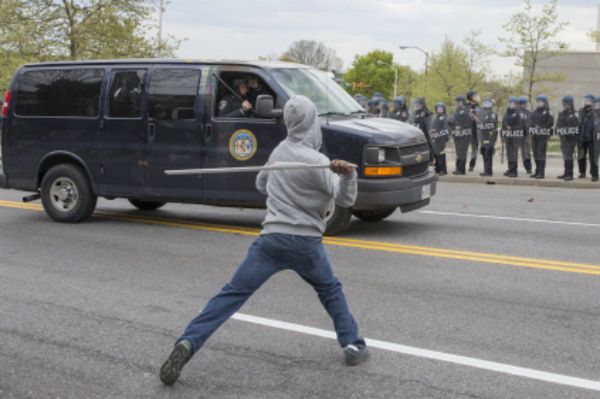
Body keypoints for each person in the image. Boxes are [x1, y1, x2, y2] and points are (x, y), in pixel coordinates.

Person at [159, 95, 369, 386]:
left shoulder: (279, 152)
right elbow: (346, 198)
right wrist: (346, 176)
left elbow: (260, 184)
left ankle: (187, 342)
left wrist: (280, 180)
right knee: (330, 290)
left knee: (230, 295)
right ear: (311, 124)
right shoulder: (319, 162)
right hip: (306, 243)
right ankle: (353, 346)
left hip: (270, 241)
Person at [528, 95, 554, 179]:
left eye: (541, 101)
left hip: (543, 136)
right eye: (538, 101)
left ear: (545, 102)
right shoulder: (535, 111)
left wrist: (541, 127)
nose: (539, 103)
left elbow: (550, 123)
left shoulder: (548, 112)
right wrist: (532, 126)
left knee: (541, 153)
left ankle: (541, 172)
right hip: (535, 135)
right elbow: (531, 121)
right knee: (535, 153)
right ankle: (537, 171)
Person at [501, 96, 527, 178]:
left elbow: (520, 125)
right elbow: (504, 122)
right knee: (509, 153)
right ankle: (510, 169)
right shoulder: (508, 112)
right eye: (510, 103)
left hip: (516, 135)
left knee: (513, 153)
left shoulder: (519, 113)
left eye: (512, 103)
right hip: (508, 136)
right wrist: (504, 132)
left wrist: (511, 127)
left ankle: (514, 171)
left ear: (516, 104)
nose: (511, 104)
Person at [555, 95, 579, 181]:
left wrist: (566, 130)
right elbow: (558, 125)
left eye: (566, 104)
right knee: (565, 156)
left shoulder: (575, 114)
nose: (565, 105)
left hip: (571, 139)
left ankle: (570, 174)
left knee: (569, 156)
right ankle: (566, 173)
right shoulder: (562, 114)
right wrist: (558, 130)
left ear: (571, 104)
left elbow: (576, 126)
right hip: (563, 138)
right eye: (564, 104)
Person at [476, 99, 498, 176]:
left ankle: (488, 171)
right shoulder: (481, 113)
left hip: (490, 137)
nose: (486, 105)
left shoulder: (493, 113)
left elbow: (492, 125)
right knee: (484, 153)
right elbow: (479, 124)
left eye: (488, 103)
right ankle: (486, 170)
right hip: (483, 137)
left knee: (488, 154)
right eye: (485, 103)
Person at [450, 95, 472, 175]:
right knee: (458, 152)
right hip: (457, 135)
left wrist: (460, 127)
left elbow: (468, 123)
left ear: (462, 102)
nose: (457, 103)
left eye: (458, 101)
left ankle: (461, 170)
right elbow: (454, 121)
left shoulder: (466, 111)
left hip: (464, 135)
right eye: (456, 102)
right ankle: (458, 168)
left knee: (462, 152)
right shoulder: (457, 111)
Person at [578, 94, 597, 180]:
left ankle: (594, 174)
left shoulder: (595, 112)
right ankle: (582, 172)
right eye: (585, 100)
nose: (586, 102)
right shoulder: (581, 111)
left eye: (588, 101)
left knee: (593, 157)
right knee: (581, 156)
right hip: (582, 138)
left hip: (592, 139)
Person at [429, 102, 451, 175]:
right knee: (436, 154)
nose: (439, 110)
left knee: (441, 155)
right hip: (436, 139)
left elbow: (445, 129)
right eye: (438, 108)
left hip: (441, 139)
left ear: (444, 109)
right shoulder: (436, 117)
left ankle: (443, 170)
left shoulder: (444, 117)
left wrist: (437, 132)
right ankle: (438, 168)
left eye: (441, 108)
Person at [517, 96, 533, 174]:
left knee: (526, 151)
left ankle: (528, 167)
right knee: (524, 151)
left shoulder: (528, 112)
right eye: (525, 103)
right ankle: (527, 167)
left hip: (526, 134)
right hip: (519, 134)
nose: (526, 104)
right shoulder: (516, 111)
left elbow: (531, 123)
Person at [466, 90, 480, 172]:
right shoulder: (466, 107)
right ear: (471, 97)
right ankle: (460, 165)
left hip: (476, 131)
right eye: (475, 95)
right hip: (468, 130)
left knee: (475, 148)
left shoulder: (478, 107)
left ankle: (472, 163)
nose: (477, 97)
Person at [593, 97, 600, 182]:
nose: (597, 106)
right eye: (596, 104)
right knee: (595, 158)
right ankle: (595, 175)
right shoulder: (592, 114)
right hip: (594, 140)